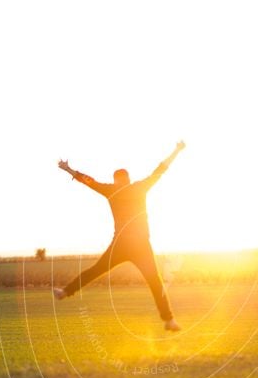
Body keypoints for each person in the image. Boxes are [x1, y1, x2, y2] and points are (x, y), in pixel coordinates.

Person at [54, 141, 186, 331]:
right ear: (123, 180)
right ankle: (169, 320)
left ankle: (169, 320)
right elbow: (160, 169)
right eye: (121, 181)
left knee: (151, 281)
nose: (123, 183)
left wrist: (68, 169)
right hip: (132, 244)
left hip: (131, 244)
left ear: (124, 180)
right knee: (107, 271)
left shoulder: (118, 190)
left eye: (123, 180)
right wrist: (68, 169)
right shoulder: (130, 188)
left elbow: (88, 180)